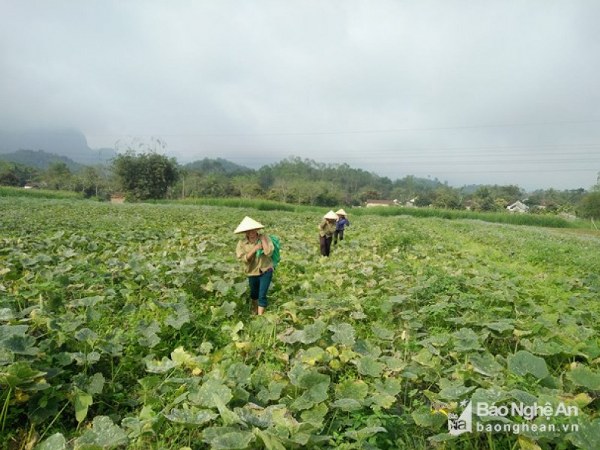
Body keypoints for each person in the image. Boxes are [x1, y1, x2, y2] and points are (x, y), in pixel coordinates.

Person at [234, 216, 274, 315]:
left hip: (266, 270)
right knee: (254, 294)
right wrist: (254, 249)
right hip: (252, 271)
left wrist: (263, 240)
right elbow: (244, 259)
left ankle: (260, 318)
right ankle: (254, 308)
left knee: (262, 295)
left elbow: (268, 252)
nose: (251, 232)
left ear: (257, 229)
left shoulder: (265, 238)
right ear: (245, 232)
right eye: (248, 231)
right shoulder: (242, 243)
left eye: (253, 230)